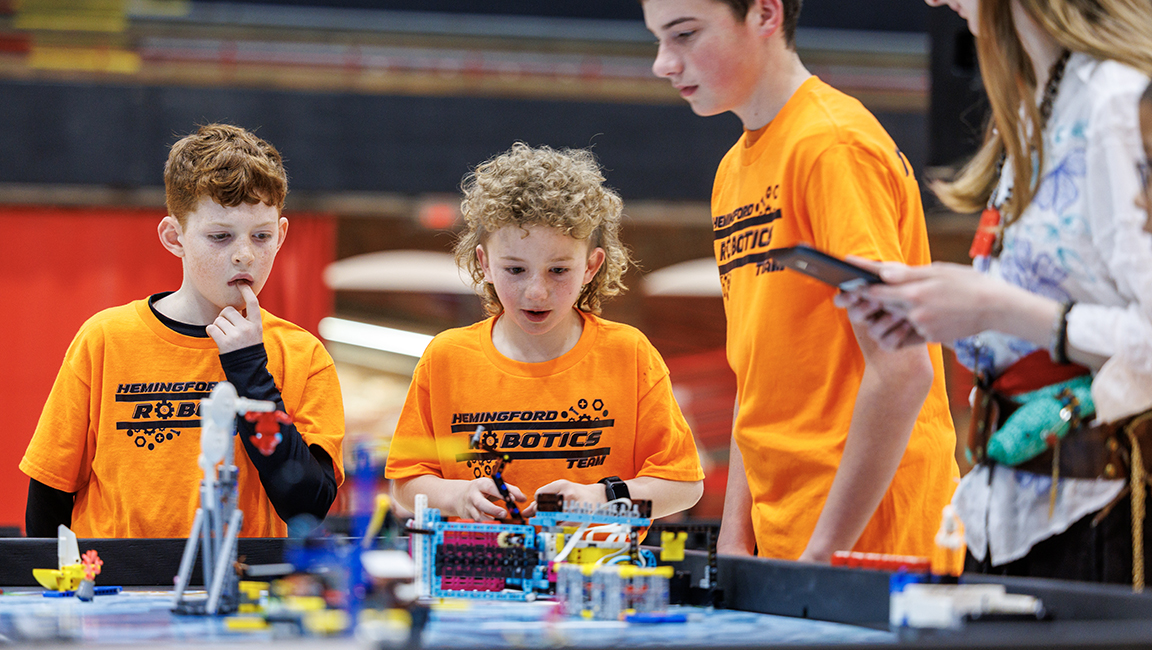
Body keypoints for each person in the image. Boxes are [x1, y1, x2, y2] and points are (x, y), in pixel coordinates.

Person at [838, 0, 1152, 584]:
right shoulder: (1038, 103)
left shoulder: (1116, 101)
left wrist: (990, 305)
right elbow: (1039, 318)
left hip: (1101, 512)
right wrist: (937, 313)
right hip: (1010, 510)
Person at [641, 0, 959, 562]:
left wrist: (822, 557)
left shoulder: (832, 147)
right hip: (786, 540)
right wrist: (736, 534)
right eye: (659, 40)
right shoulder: (732, 171)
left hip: (866, 543)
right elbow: (756, 376)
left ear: (765, 15)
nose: (663, 64)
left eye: (685, 35)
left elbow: (902, 369)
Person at [21, 123, 345, 538]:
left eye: (261, 236)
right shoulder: (105, 338)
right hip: (115, 590)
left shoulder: (302, 354)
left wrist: (251, 373)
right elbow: (48, 497)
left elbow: (308, 507)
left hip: (241, 589)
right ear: (175, 237)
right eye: (220, 237)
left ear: (281, 235)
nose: (244, 255)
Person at [385, 143, 704, 521]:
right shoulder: (447, 356)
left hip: (597, 571)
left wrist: (603, 498)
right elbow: (405, 481)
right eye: (516, 270)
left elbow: (683, 484)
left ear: (591, 266)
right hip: (475, 572)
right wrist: (458, 495)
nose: (536, 291)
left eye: (558, 270)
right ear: (484, 263)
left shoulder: (628, 352)